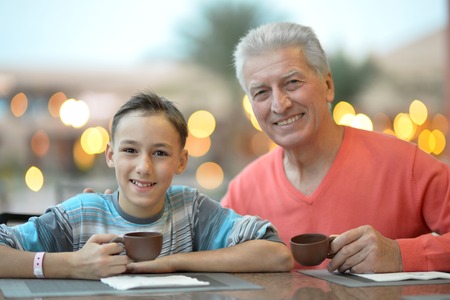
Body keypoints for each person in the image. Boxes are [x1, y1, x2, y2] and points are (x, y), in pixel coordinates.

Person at [221, 22, 450, 273]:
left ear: (328, 86)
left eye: (292, 82)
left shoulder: (406, 164)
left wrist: (402, 255)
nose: (279, 104)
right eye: (261, 92)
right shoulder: (243, 191)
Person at [0, 91, 293, 279]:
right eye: (130, 150)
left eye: (160, 153)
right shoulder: (80, 215)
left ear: (181, 161)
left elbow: (276, 253)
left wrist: (175, 262)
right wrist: (71, 264)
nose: (144, 167)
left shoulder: (191, 212)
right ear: (111, 155)